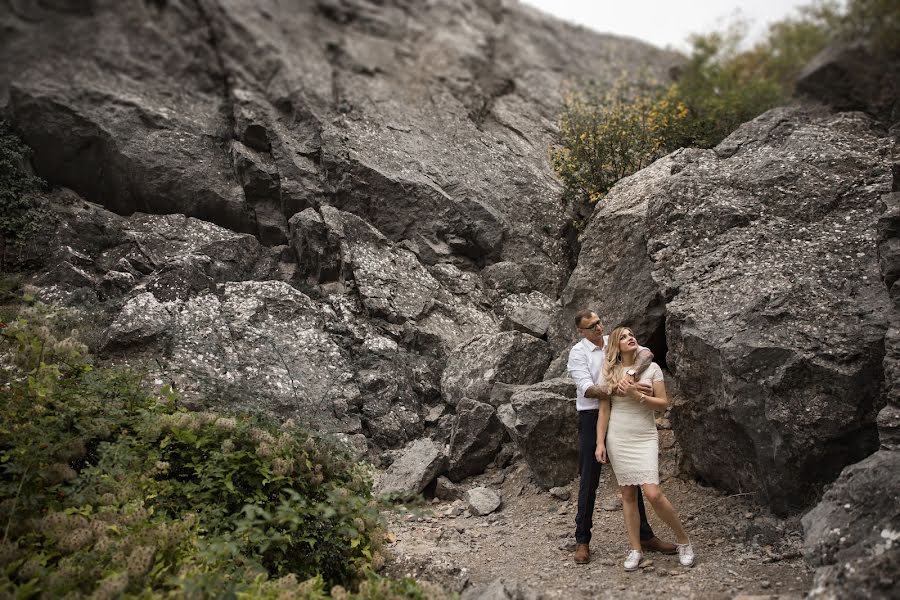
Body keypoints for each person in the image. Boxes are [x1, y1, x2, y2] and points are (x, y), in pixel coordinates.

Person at [567, 310, 676, 565]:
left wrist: (629, 374)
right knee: (589, 480)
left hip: (620, 414)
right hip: (592, 416)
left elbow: (646, 353)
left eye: (599, 322)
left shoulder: (612, 340)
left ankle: (645, 536)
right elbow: (588, 389)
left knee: (632, 475)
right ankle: (582, 540)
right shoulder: (577, 353)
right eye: (591, 326)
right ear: (581, 331)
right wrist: (620, 388)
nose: (598, 327)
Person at [596, 325, 695, 570]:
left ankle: (684, 541)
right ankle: (635, 549)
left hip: (644, 435)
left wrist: (636, 395)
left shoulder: (652, 368)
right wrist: (600, 442)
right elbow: (604, 410)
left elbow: (662, 405)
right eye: (624, 336)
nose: (630, 338)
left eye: (632, 335)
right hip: (618, 436)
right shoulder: (610, 371)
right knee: (628, 496)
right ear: (615, 346)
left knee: (653, 493)